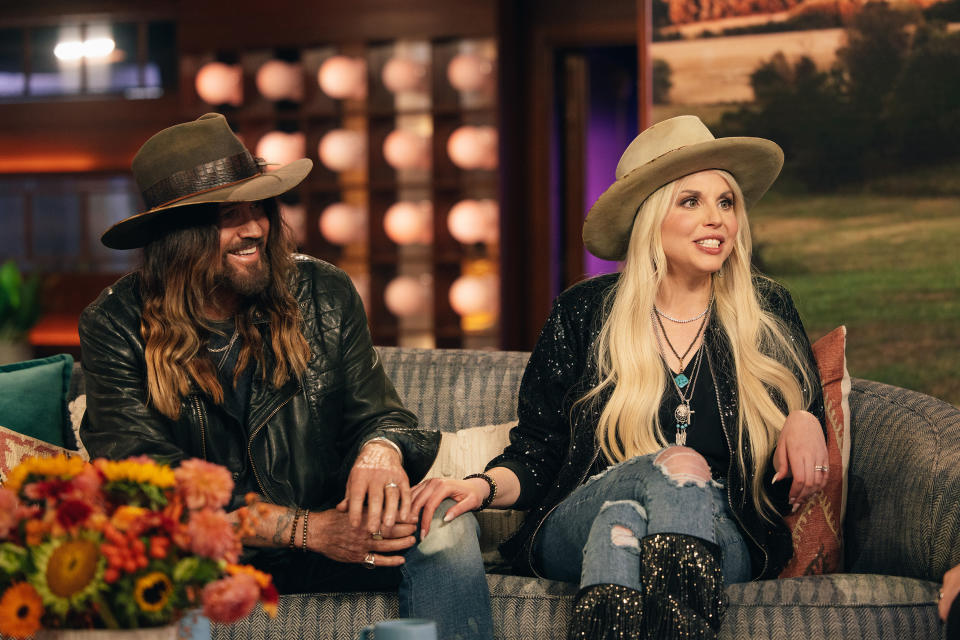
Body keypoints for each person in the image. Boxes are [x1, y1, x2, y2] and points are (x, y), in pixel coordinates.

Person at [78, 113, 494, 640]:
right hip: (211, 551)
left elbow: (381, 414)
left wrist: (382, 448)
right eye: (230, 215)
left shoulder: (323, 292)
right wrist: (301, 530)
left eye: (259, 209)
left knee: (446, 530)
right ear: (177, 235)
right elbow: (143, 476)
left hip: (340, 532)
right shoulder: (115, 323)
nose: (254, 228)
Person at [411, 115, 828, 639]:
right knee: (673, 468)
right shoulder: (584, 312)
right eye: (691, 201)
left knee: (620, 529)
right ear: (650, 217)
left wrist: (805, 418)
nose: (717, 219)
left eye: (726, 202)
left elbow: (806, 411)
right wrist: (481, 485)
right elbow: (538, 452)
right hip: (580, 512)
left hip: (724, 530)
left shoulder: (768, 309)